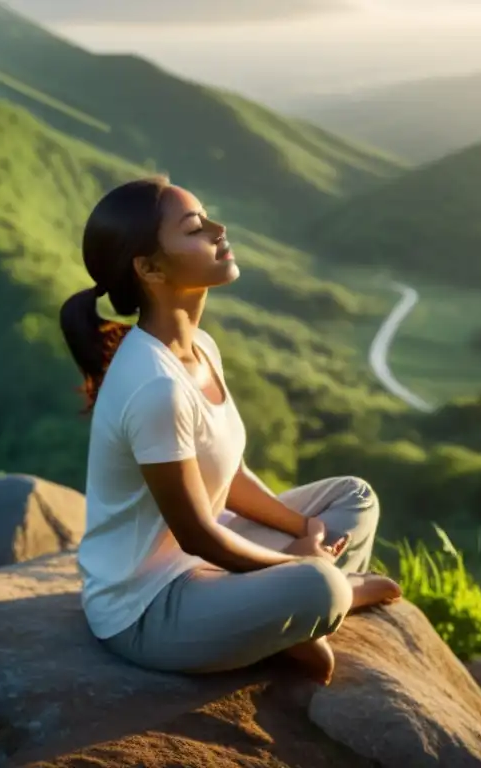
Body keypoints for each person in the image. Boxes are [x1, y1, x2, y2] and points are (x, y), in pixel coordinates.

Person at [59, 176, 402, 686]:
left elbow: (230, 476)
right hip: (150, 606)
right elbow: (198, 536)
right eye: (196, 228)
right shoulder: (155, 387)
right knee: (319, 587)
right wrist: (292, 567)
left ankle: (291, 617)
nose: (219, 231)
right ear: (150, 268)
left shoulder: (202, 347)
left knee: (355, 498)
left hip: (209, 563)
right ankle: (328, 598)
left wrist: (301, 531)